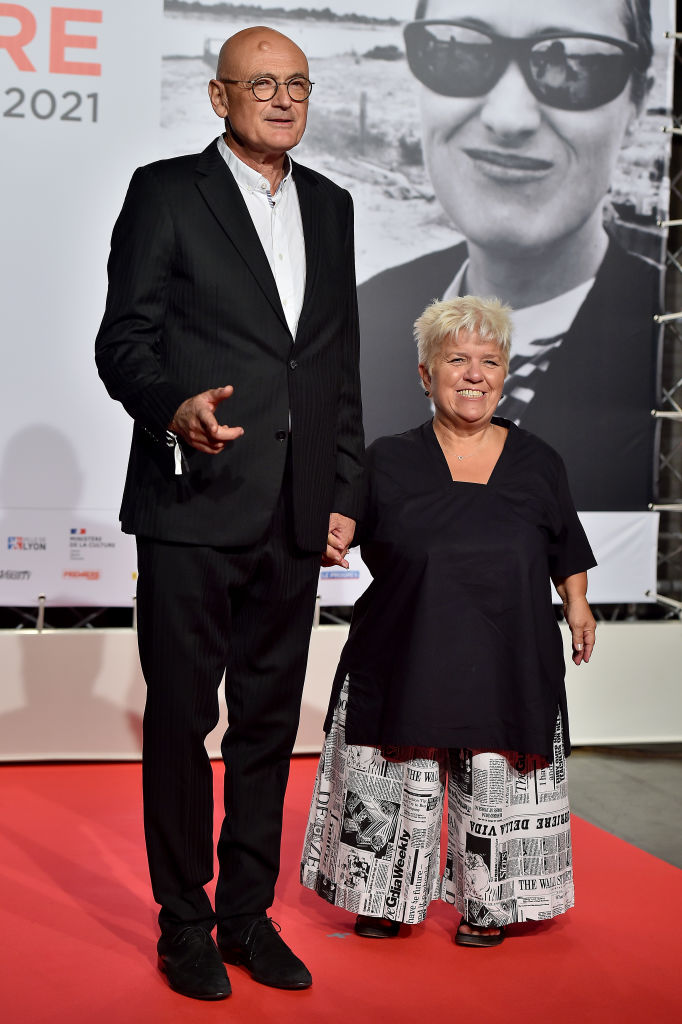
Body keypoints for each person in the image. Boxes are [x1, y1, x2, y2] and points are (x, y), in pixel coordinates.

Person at [95, 26, 364, 1001]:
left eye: (297, 84)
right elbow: (122, 340)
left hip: (294, 514)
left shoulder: (332, 207)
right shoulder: (167, 193)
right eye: (261, 86)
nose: (283, 100)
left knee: (263, 723)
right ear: (219, 98)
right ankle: (186, 923)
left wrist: (345, 491)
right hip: (191, 501)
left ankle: (247, 915)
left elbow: (336, 366)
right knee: (179, 719)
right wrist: (171, 404)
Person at [301, 296, 596, 946]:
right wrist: (325, 533)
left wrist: (577, 601)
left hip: (508, 655)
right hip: (402, 651)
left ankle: (487, 905)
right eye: (456, 358)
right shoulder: (384, 458)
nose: (473, 373)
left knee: (494, 787)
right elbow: (336, 533)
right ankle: (379, 894)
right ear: (425, 374)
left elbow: (564, 545)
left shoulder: (539, 460)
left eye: (488, 360)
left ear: (505, 372)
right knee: (391, 778)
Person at [359, 0, 660, 511]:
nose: (508, 117)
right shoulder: (358, 320)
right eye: (459, 53)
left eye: (578, 66)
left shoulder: (666, 353)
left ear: (637, 104)